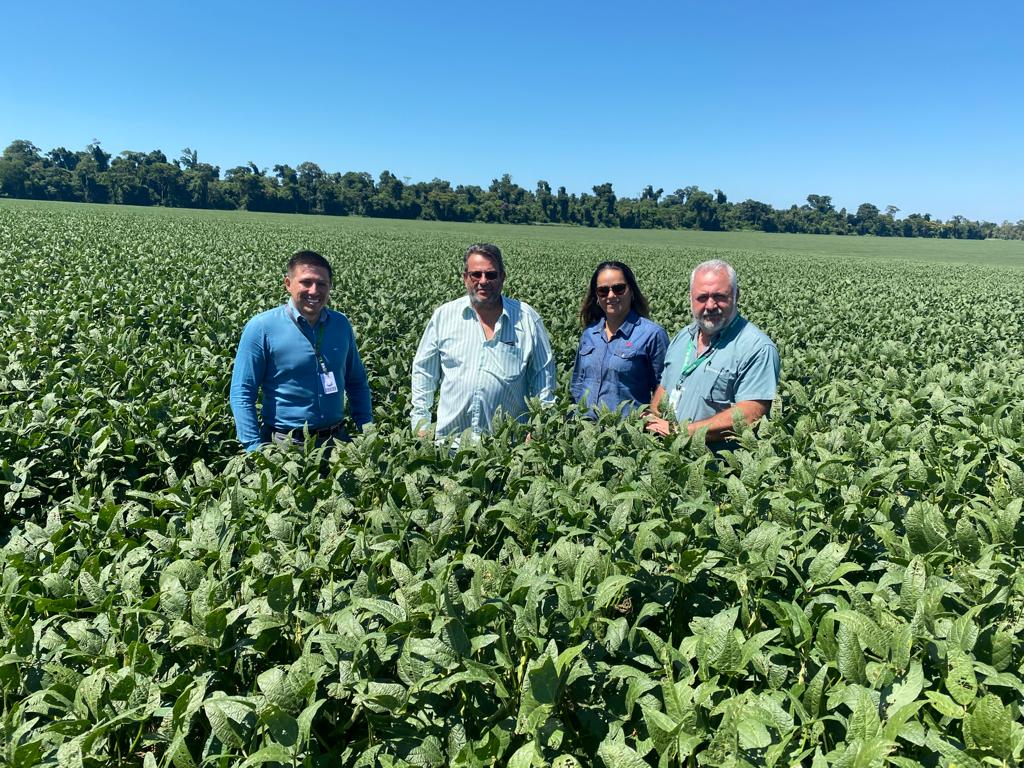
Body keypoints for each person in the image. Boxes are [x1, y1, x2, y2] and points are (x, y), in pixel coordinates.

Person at [410, 242, 556, 441]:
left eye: (491, 275)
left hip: (507, 449)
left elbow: (544, 381)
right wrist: (421, 423)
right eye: (476, 275)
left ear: (503, 277)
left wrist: (539, 427)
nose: (483, 281)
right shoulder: (444, 316)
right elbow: (424, 372)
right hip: (449, 446)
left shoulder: (527, 318)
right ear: (465, 278)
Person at [230, 250, 372, 451]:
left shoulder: (341, 324)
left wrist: (368, 432)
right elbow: (242, 391)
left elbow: (357, 382)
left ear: (330, 286)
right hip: (285, 445)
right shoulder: (262, 327)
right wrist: (253, 446)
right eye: (306, 282)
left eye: (321, 284)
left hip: (338, 442)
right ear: (288, 284)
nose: (314, 291)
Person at [644, 259, 779, 443]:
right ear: (691, 299)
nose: (710, 305)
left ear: (736, 295)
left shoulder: (757, 348)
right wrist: (653, 422)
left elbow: (750, 414)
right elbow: (664, 389)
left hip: (717, 468)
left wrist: (682, 432)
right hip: (670, 458)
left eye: (720, 296)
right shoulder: (683, 337)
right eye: (702, 297)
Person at [570, 261, 669, 418]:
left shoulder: (652, 334)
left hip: (625, 437)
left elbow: (663, 389)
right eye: (603, 291)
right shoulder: (589, 334)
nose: (611, 296)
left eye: (618, 289)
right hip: (584, 434)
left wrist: (651, 423)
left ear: (631, 291)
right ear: (596, 296)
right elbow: (577, 384)